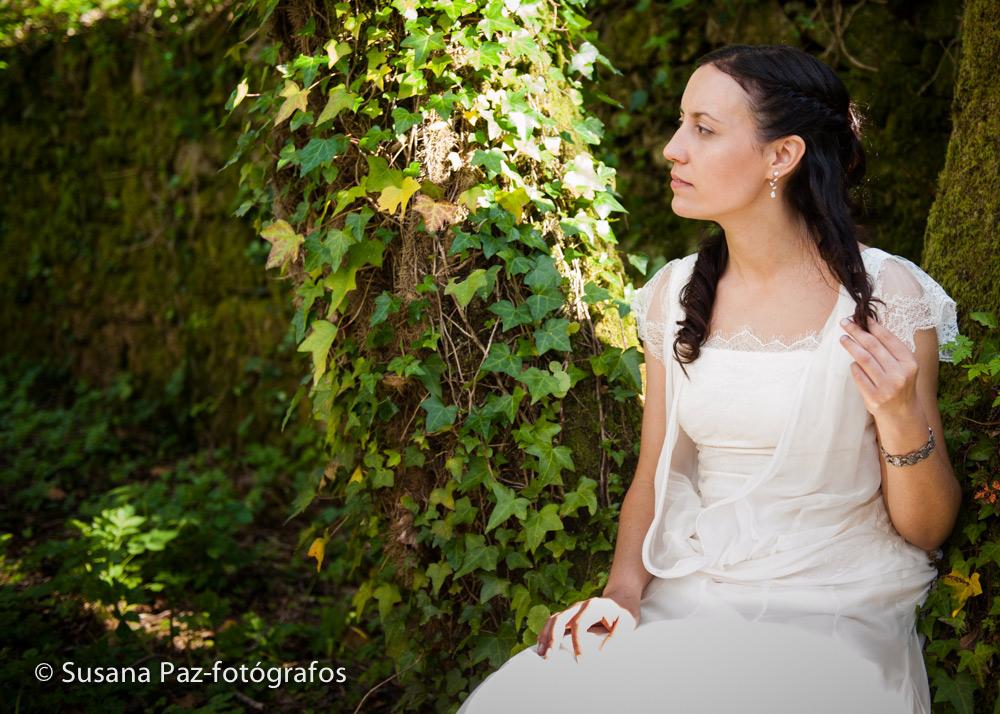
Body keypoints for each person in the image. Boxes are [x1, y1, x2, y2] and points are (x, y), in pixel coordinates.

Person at [457, 44, 962, 714]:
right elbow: (656, 471)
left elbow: (927, 530)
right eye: (679, 124)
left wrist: (901, 416)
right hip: (691, 590)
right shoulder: (674, 293)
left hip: (835, 604)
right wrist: (621, 593)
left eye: (704, 128)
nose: (672, 149)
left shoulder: (886, 294)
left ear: (780, 156)